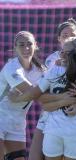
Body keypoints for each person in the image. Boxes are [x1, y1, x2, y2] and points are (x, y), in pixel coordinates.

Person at [28, 19, 76, 160]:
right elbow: (42, 96)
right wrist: (63, 100)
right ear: (59, 38)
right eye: (65, 34)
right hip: (51, 118)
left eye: (73, 34)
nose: (69, 36)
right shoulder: (52, 60)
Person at [0, 31, 46, 160]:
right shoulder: (12, 68)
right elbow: (34, 94)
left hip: (17, 123)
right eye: (21, 45)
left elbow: (45, 93)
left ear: (35, 45)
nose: (26, 48)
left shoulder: (41, 70)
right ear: (15, 47)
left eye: (29, 44)